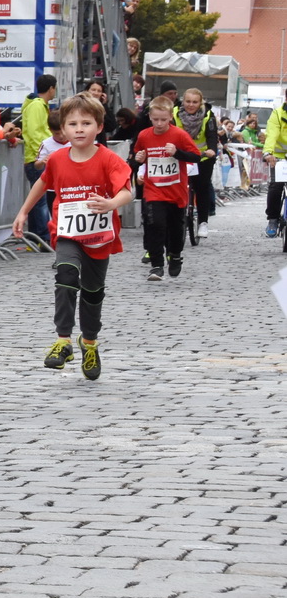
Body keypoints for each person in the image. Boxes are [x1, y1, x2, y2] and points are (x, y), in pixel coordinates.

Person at [12, 92, 134, 381]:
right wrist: (23, 212)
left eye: (86, 123)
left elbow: (128, 191)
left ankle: (89, 342)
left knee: (93, 293)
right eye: (73, 124)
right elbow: (42, 184)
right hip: (67, 232)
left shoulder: (108, 159)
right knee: (65, 275)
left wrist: (110, 203)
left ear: (99, 127)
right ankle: (63, 340)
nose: (79, 129)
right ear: (63, 130)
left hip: (99, 237)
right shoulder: (56, 159)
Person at [132, 96, 201, 280]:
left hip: (176, 191)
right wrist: (138, 159)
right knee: (155, 225)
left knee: (176, 228)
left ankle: (175, 255)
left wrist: (177, 153)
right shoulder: (144, 135)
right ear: (150, 117)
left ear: (171, 116)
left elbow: (196, 157)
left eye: (163, 119)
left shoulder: (179, 135)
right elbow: (137, 154)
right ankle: (156, 265)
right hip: (153, 189)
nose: (160, 123)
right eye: (155, 119)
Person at [175, 87, 219, 234]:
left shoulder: (208, 115)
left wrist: (212, 149)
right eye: (188, 101)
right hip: (181, 156)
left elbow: (212, 135)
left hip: (203, 156)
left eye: (195, 102)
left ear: (201, 103)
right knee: (176, 187)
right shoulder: (174, 114)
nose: (191, 105)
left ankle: (202, 222)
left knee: (202, 187)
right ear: (183, 101)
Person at [21, 74, 57, 239]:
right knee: (40, 198)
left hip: (37, 156)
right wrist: (41, 155)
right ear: (51, 89)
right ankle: (43, 236)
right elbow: (35, 133)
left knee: (38, 199)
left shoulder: (39, 105)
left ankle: (37, 235)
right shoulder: (37, 106)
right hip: (37, 158)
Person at [264, 97, 287, 236]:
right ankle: (272, 219)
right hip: (277, 156)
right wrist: (268, 152)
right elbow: (272, 134)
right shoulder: (278, 114)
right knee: (275, 186)